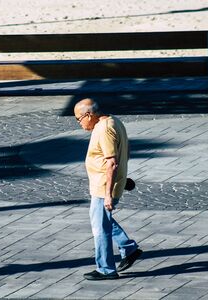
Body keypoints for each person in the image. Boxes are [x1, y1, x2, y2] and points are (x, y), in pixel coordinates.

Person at [74, 98, 142, 280]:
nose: (79, 124)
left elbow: (112, 162)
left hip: (103, 187)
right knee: (102, 221)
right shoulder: (114, 121)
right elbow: (124, 152)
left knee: (100, 228)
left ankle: (106, 269)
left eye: (78, 119)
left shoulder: (104, 129)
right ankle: (129, 248)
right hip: (106, 184)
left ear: (88, 115)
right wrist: (123, 178)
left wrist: (108, 195)